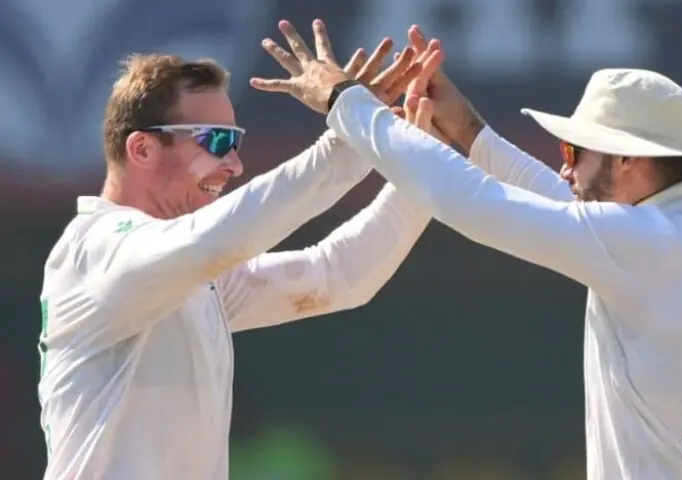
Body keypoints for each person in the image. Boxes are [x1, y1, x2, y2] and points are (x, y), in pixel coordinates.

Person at [252, 20, 682, 480]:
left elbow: (475, 202)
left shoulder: (645, 243)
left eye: (575, 151)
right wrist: (468, 131)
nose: (565, 167)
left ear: (630, 159)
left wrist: (347, 102)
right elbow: (568, 214)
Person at [37, 29, 443, 479]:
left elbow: (337, 276)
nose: (233, 165)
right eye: (214, 141)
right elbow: (222, 238)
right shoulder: (98, 248)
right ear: (143, 148)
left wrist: (423, 168)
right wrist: (350, 129)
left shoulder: (185, 272)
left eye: (236, 142)